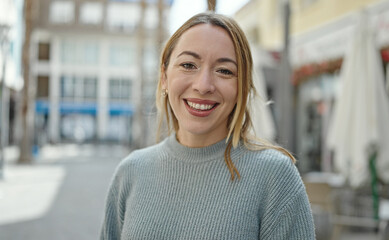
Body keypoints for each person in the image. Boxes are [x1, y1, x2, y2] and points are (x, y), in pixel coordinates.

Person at [100, 12, 315, 240]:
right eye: (188, 65)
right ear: (164, 76)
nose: (203, 86)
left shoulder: (275, 178)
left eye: (224, 71)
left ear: (242, 86)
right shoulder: (130, 172)